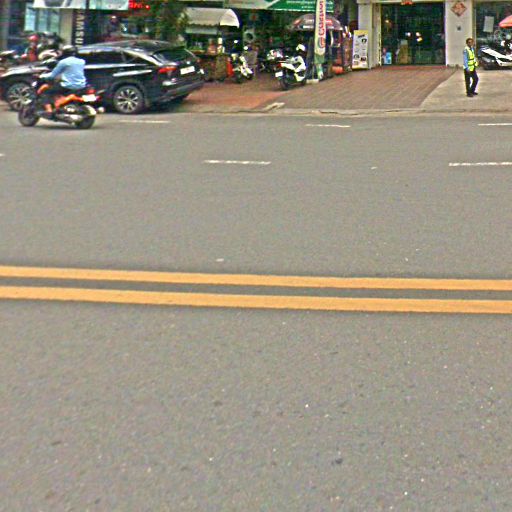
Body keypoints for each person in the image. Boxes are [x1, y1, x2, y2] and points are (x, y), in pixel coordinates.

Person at [40, 45, 87, 114]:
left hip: (68, 85)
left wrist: (42, 76)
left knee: (46, 92)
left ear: (64, 53)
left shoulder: (63, 62)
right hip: (82, 84)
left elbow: (53, 75)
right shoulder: (81, 61)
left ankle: (49, 110)